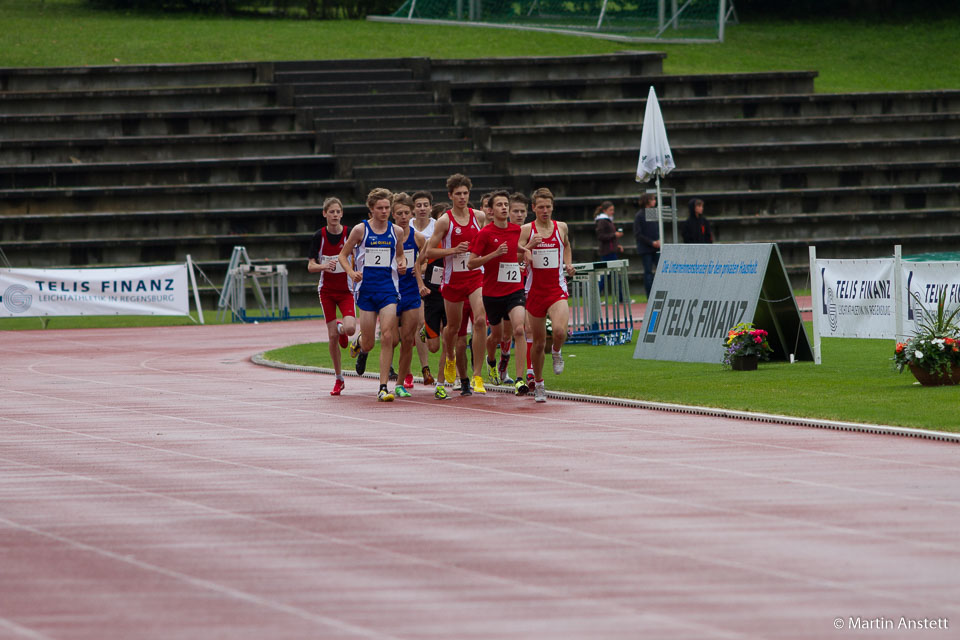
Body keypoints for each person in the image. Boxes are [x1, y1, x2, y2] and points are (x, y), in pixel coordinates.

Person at [338, 187, 407, 402]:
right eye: (380, 208)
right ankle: (359, 342)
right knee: (369, 343)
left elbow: (400, 255)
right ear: (371, 209)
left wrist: (402, 264)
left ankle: (383, 386)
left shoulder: (396, 231)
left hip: (388, 289)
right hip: (366, 290)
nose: (384, 211)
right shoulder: (361, 230)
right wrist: (351, 272)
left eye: (387, 208)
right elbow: (343, 255)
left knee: (388, 336)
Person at [424, 173, 488, 396]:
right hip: (453, 280)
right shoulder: (445, 221)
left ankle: (478, 374)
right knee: (452, 328)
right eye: (458, 194)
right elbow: (429, 252)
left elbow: (490, 239)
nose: (462, 197)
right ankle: (450, 357)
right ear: (450, 195)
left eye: (465, 193)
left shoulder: (478, 217)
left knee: (480, 319)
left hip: (475, 276)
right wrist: (453, 250)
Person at [467, 190, 529, 396]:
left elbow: (514, 249)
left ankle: (520, 380)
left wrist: (526, 251)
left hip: (514, 289)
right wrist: (494, 254)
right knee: (498, 335)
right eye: (499, 205)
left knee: (519, 329)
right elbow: (471, 263)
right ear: (491, 211)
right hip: (492, 292)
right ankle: (491, 360)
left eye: (506, 204)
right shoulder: (484, 233)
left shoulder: (514, 230)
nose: (504, 208)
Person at [518, 187, 576, 403]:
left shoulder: (561, 227)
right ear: (533, 208)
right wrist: (526, 250)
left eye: (548, 207)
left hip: (556, 288)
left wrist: (568, 263)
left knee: (560, 331)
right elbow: (515, 254)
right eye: (540, 207)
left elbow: (567, 245)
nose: (545, 211)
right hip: (534, 291)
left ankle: (558, 351)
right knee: (538, 343)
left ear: (552, 208)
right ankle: (539, 383)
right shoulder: (527, 230)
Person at [307, 196, 356, 396]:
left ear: (342, 214)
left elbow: (358, 256)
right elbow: (310, 266)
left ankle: (342, 328)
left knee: (351, 328)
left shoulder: (349, 234)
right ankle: (339, 378)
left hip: (346, 290)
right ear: (325, 214)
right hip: (326, 291)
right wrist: (323, 266)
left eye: (338, 212)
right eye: (331, 212)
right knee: (332, 336)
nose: (335, 215)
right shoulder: (319, 236)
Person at [390, 192, 429, 399]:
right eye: (399, 213)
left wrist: (420, 268)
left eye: (406, 213)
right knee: (393, 339)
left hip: (411, 291)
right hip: (390, 291)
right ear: (393, 215)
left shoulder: (418, 237)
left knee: (407, 339)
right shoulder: (386, 236)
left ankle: (400, 382)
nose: (404, 217)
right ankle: (363, 342)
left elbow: (426, 258)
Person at [411, 190, 437, 387]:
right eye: (418, 205)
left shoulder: (437, 226)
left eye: (425, 205)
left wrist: (423, 266)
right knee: (415, 325)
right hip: (409, 282)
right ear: (413, 208)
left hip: (434, 280)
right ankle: (425, 367)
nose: (422, 208)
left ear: (430, 207)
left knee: (430, 326)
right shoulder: (407, 227)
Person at [633, 193, 661, 297]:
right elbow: (638, 234)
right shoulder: (639, 215)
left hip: (655, 248)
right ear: (647, 201)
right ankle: (649, 296)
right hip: (646, 249)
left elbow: (655, 229)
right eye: (653, 199)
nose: (655, 201)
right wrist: (651, 242)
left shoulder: (652, 213)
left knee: (660, 270)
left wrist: (658, 240)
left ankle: (659, 293)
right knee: (648, 273)